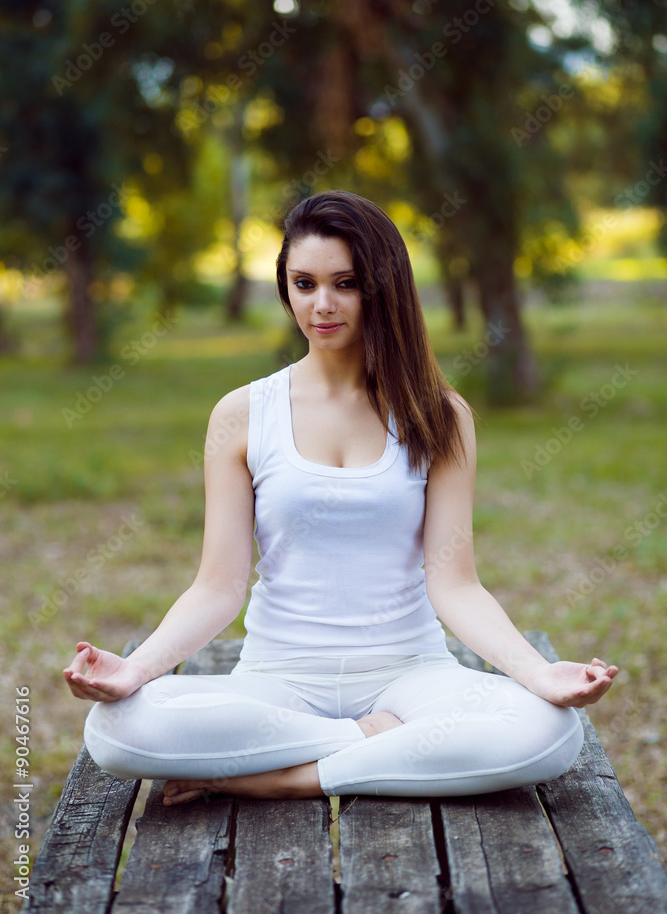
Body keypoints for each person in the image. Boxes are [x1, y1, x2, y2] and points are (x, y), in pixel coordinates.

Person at [64, 190, 617, 806]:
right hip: (278, 680)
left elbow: (455, 583)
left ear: (381, 289)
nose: (321, 305)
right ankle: (366, 741)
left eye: (345, 283)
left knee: (550, 732)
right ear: (286, 289)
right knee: (115, 729)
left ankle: (283, 778)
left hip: (410, 673)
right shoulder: (243, 414)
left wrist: (538, 675)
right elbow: (218, 586)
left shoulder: (439, 415)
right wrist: (137, 672)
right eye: (304, 283)